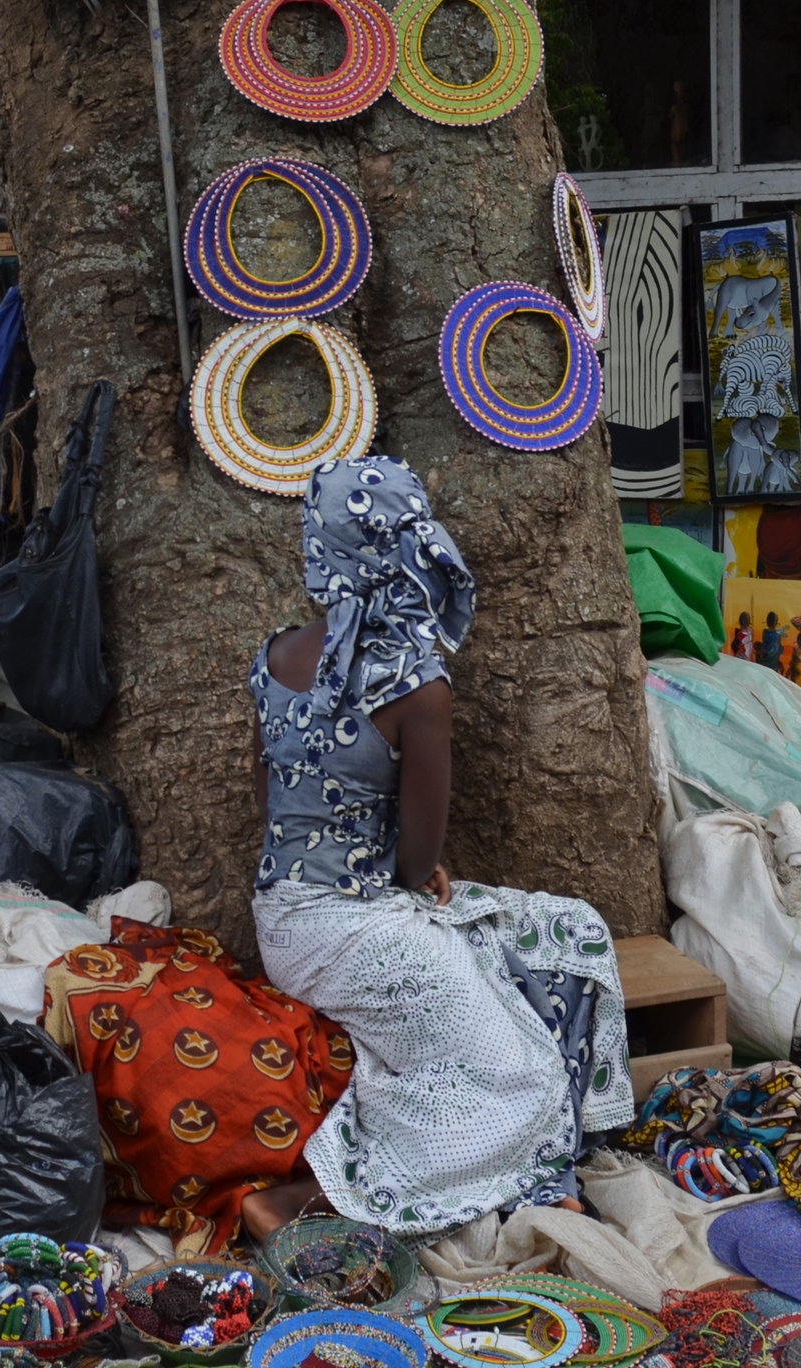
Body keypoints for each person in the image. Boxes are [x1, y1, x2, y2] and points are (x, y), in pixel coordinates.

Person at [239, 458, 630, 1237]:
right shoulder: (417, 684)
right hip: (354, 927)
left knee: (566, 928)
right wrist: (409, 875)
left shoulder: (277, 655)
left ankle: (535, 1164)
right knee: (514, 1076)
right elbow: (418, 865)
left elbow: (276, 798)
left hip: (283, 917)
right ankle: (306, 1203)